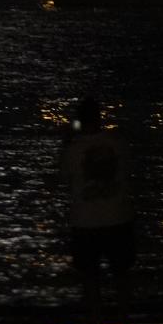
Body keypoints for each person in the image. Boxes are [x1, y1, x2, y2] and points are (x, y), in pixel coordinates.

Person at [60, 97, 135, 291]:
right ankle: (125, 318)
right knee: (121, 275)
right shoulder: (118, 144)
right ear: (100, 118)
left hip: (85, 222)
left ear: (79, 121)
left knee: (89, 277)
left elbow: (64, 178)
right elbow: (128, 171)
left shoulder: (72, 150)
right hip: (118, 218)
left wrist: (66, 142)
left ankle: (95, 318)